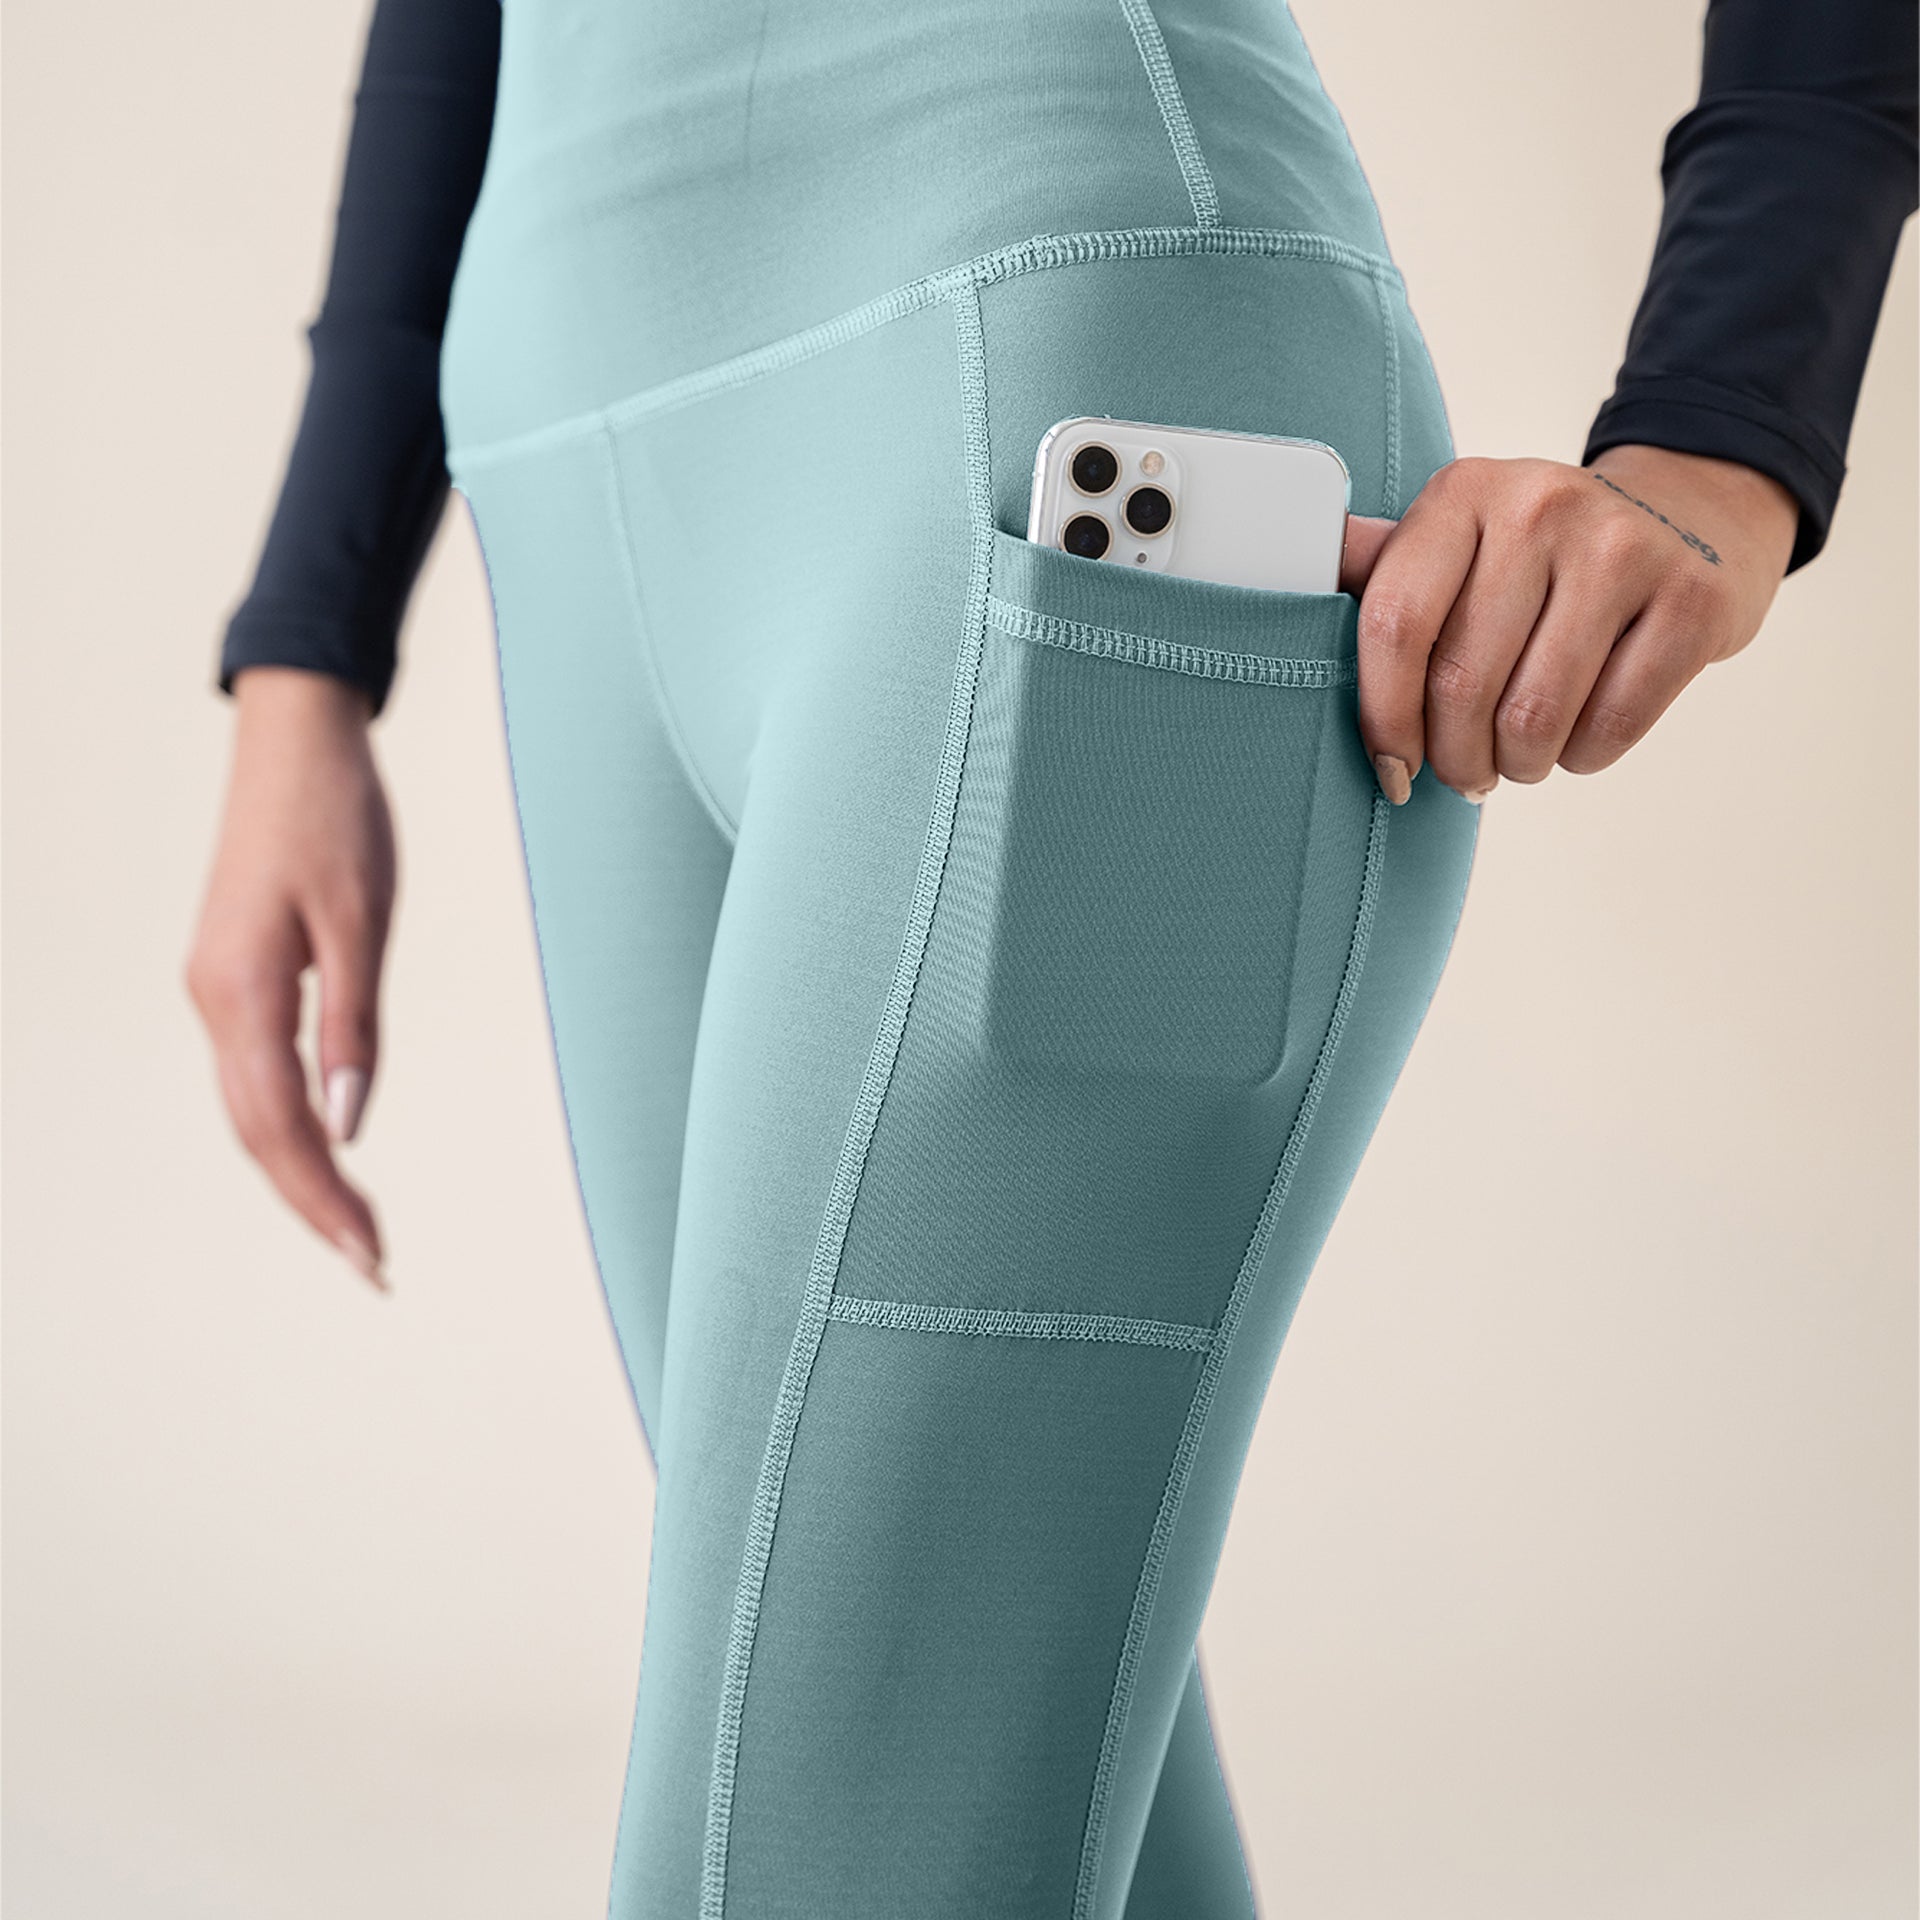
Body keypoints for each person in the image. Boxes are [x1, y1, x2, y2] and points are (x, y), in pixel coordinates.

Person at [185, 2, 1917, 1914]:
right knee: (961, 1751)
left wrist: (1726, 432)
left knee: (829, 1823)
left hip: (1056, 355)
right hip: (562, 448)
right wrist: (304, 654)